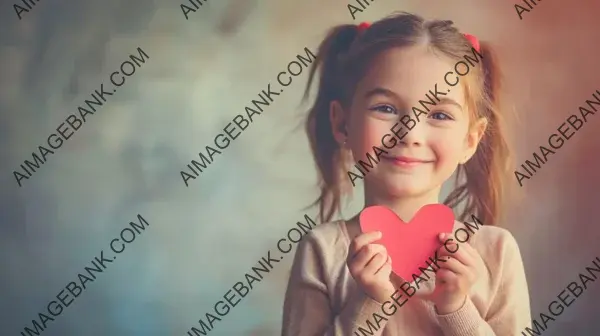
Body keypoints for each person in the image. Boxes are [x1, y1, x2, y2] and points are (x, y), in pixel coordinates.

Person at [281, 11, 531, 336]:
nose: (409, 132)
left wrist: (457, 309)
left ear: (470, 140)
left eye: (440, 114)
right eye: (385, 108)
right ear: (343, 124)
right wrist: (370, 302)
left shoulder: (496, 253)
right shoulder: (322, 251)